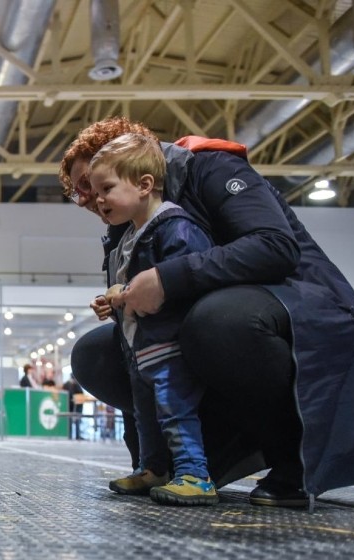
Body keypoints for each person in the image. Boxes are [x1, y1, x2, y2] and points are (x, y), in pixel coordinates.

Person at [60, 116, 354, 508]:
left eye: (91, 183)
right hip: (211, 324)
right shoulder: (128, 225)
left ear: (136, 170)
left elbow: (275, 246)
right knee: (96, 352)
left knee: (215, 323)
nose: (88, 198)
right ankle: (187, 459)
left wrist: (167, 279)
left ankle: (293, 458)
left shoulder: (210, 167)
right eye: (77, 192)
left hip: (300, 307)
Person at [89, 133, 217, 506]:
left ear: (145, 185)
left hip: (168, 346)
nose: (98, 200)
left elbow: (181, 282)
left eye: (106, 189)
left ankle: (195, 474)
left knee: (175, 411)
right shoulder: (129, 237)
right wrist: (113, 301)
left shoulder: (175, 227)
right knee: (145, 414)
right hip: (141, 348)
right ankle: (153, 468)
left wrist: (126, 294)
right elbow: (135, 288)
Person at [62, 374, 85, 441]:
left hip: (71, 405)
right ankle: (74, 435)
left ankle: (71, 435)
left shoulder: (68, 384)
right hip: (73, 405)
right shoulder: (74, 384)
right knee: (74, 420)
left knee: (72, 420)